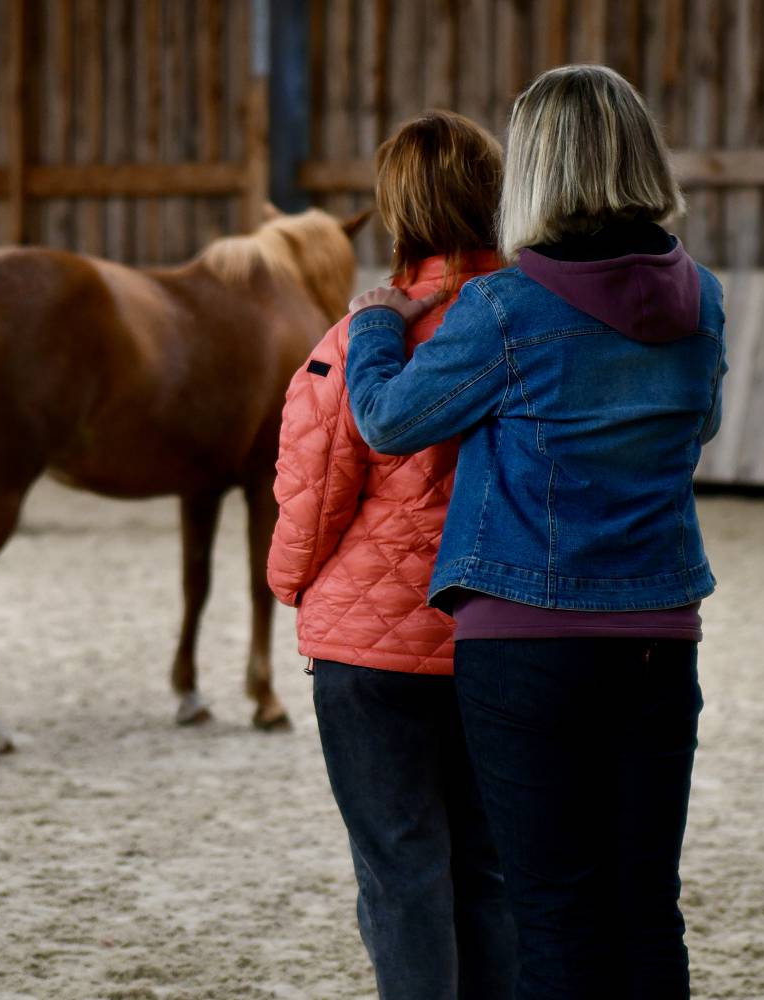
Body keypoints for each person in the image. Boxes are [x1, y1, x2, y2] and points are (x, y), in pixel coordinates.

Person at [344, 66, 727, 999]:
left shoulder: (505, 310)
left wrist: (373, 329)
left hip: (526, 643)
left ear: (539, 173)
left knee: (551, 909)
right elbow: (701, 426)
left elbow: (390, 421)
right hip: (658, 633)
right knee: (645, 908)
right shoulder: (703, 298)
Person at [267, 110, 516, 999]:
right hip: (497, 636)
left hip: (369, 657)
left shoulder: (353, 341)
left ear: (396, 210)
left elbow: (312, 492)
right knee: (489, 872)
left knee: (400, 874)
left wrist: (293, 584)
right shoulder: (527, 324)